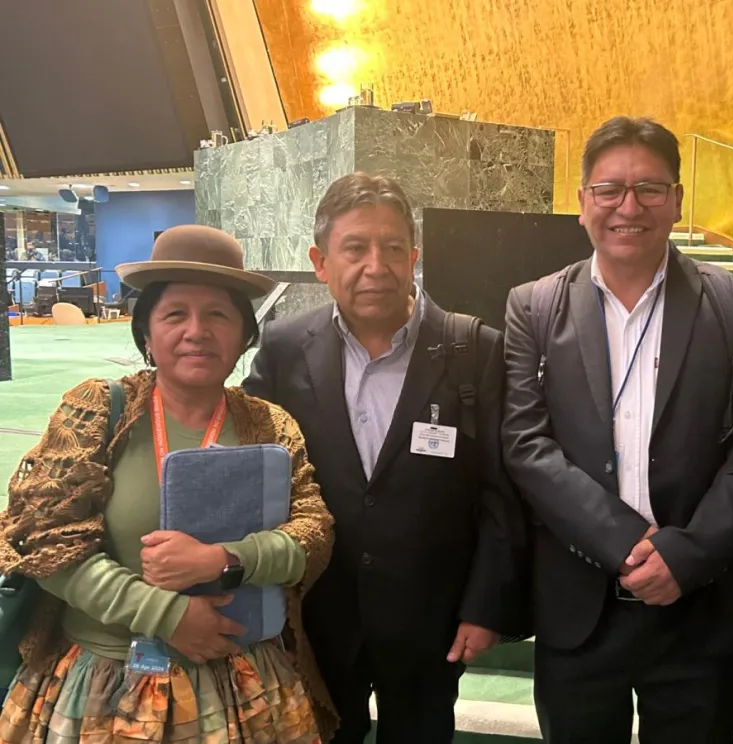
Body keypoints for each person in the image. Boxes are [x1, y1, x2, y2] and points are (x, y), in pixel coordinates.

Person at [501, 116, 733, 744]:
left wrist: (685, 554)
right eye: (609, 190)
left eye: (650, 189)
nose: (629, 207)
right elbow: (525, 444)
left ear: (678, 201)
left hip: (699, 606)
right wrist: (628, 541)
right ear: (582, 204)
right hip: (580, 608)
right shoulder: (534, 306)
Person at [0, 225, 337, 742]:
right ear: (147, 333)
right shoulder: (96, 412)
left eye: (218, 314)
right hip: (106, 688)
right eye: (175, 314)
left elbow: (313, 532)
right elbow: (45, 540)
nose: (197, 331)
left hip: (246, 688)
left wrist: (227, 560)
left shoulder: (269, 425)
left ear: (245, 333)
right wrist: (165, 613)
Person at [243, 172, 527, 744]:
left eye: (393, 247)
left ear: (413, 257)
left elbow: (504, 491)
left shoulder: (475, 351)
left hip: (432, 623)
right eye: (355, 248)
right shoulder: (282, 349)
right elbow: (256, 472)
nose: (377, 265)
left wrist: (486, 606)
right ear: (320, 261)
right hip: (319, 618)